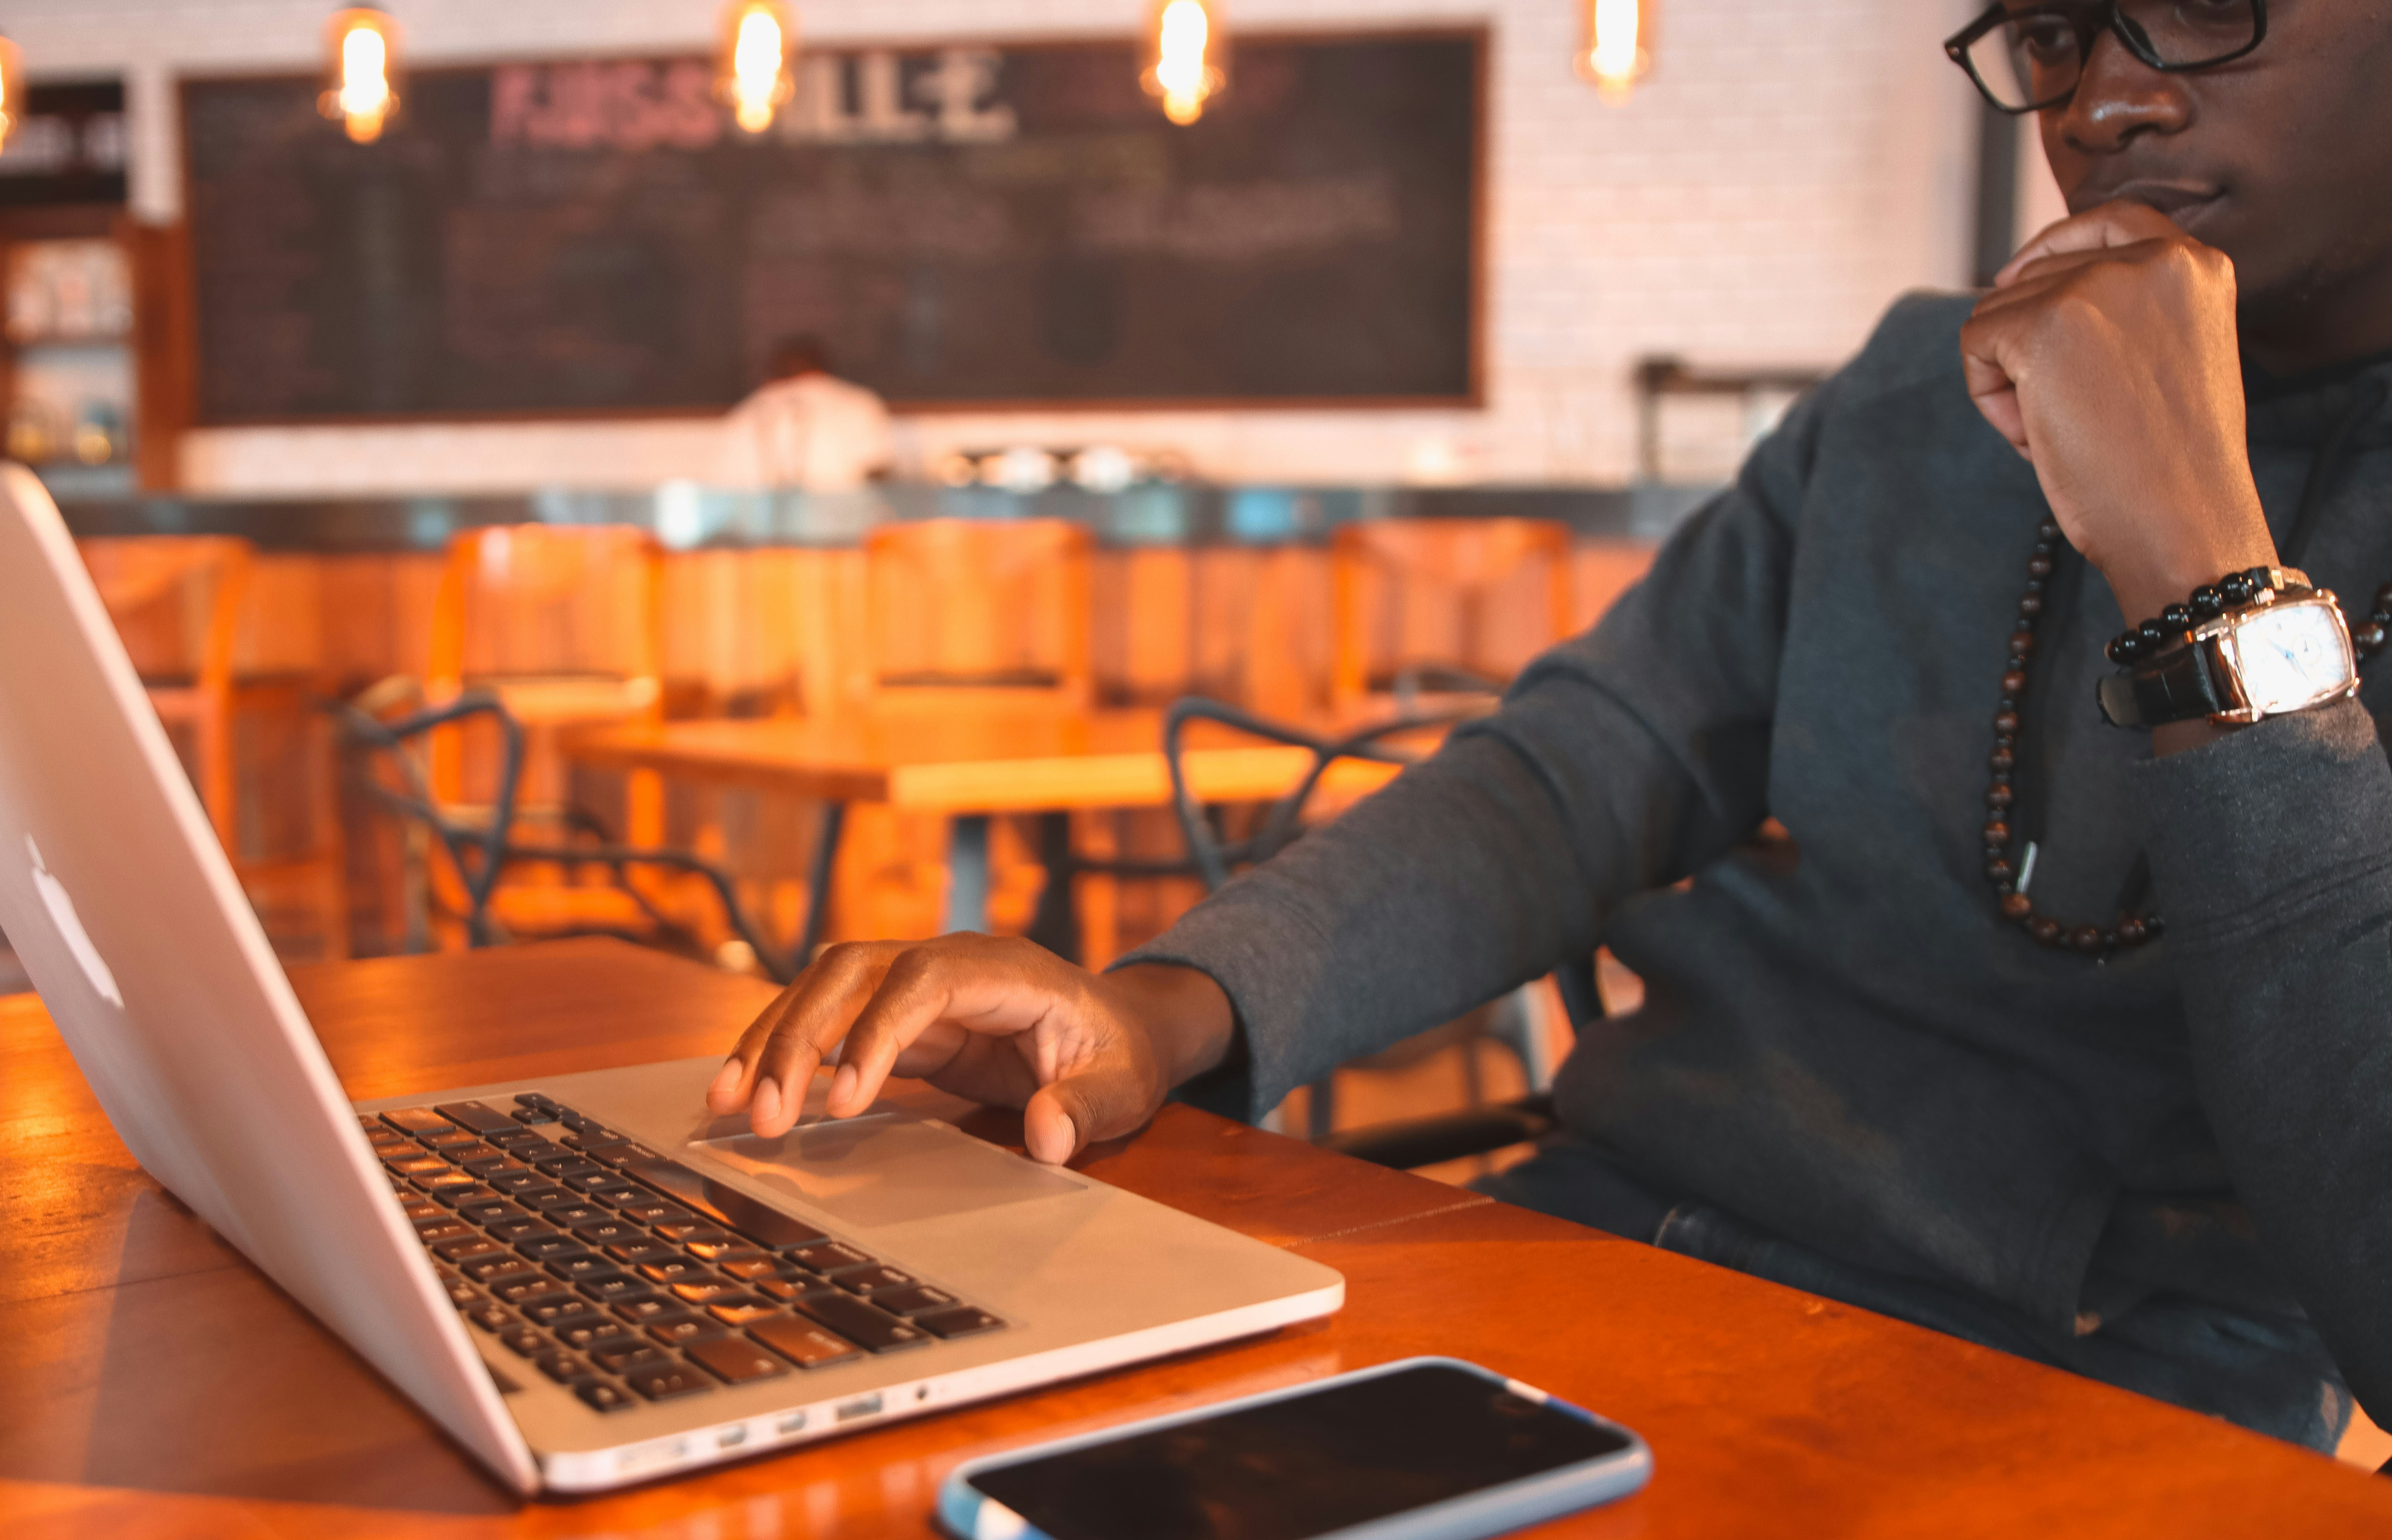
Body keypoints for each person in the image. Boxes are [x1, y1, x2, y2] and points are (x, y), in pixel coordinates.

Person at [704, 0, 2392, 1454]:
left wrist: (2200, 567)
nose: (2101, 97)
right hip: (1610, 1237)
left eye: (2196, 4)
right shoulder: (1909, 395)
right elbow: (1588, 763)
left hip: (2098, 1393)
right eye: (2047, 33)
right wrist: (1163, 1006)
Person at [715, 334, 895, 490]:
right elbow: (879, 475)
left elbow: (723, 485)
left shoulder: (744, 413)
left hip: (757, 527)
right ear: (824, 369)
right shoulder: (858, 404)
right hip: (842, 524)